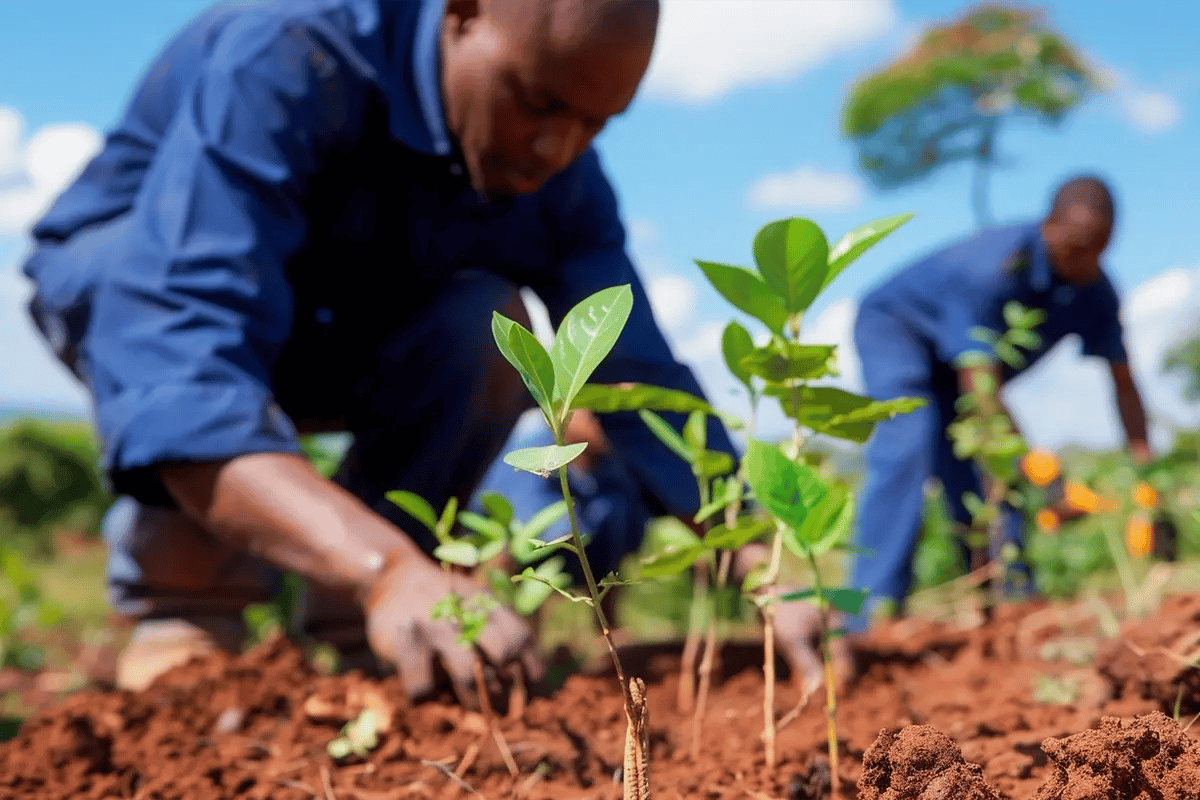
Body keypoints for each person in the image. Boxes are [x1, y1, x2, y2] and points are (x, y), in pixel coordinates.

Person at [20, 0, 818, 701]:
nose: (555, 148)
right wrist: (385, 569)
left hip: (338, 330)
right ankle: (189, 608)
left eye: (593, 124)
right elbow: (186, 343)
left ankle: (361, 621)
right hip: (150, 290)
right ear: (463, 13)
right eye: (537, 102)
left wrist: (758, 551)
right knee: (159, 289)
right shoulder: (292, 53)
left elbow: (634, 368)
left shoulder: (563, 175)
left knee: (493, 327)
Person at [845, 175, 1152, 634]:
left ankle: (1008, 599)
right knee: (910, 444)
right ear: (1049, 226)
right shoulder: (992, 268)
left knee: (982, 472)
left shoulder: (1095, 290)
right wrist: (1045, 476)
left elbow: (1124, 381)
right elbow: (982, 393)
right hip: (898, 332)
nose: (1089, 261)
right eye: (1077, 248)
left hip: (968, 372)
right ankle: (870, 614)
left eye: (1101, 248)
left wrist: (1145, 471)